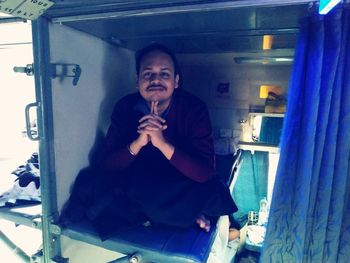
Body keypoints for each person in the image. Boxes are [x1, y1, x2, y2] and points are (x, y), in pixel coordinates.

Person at [60, 43, 238, 240]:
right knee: (92, 181)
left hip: (180, 178)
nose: (155, 80)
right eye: (148, 74)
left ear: (176, 81)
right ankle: (183, 216)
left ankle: (172, 215)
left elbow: (204, 172)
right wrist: (138, 142)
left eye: (164, 74)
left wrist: (161, 142)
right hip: (141, 178)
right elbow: (107, 164)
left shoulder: (194, 109)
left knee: (210, 189)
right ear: (137, 81)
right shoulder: (125, 106)